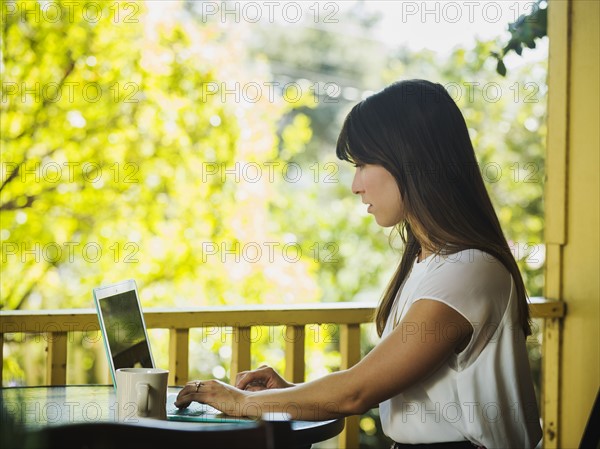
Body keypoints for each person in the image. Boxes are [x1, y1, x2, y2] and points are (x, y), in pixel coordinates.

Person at [175, 79, 543, 449]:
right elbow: (373, 385)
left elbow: (356, 392)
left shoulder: (468, 269)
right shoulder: (427, 261)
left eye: (363, 164)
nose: (355, 185)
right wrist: (290, 393)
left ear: (410, 160)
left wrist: (241, 402)